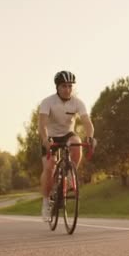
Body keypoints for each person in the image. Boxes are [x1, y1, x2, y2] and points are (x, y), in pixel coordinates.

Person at [38, 70, 95, 222]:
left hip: (67, 134)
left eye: (70, 86)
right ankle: (45, 203)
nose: (67, 89)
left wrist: (90, 137)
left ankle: (70, 174)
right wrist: (46, 140)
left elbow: (87, 123)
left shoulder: (77, 102)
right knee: (49, 167)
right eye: (64, 86)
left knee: (77, 142)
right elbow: (42, 125)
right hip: (50, 136)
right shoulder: (47, 102)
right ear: (57, 87)